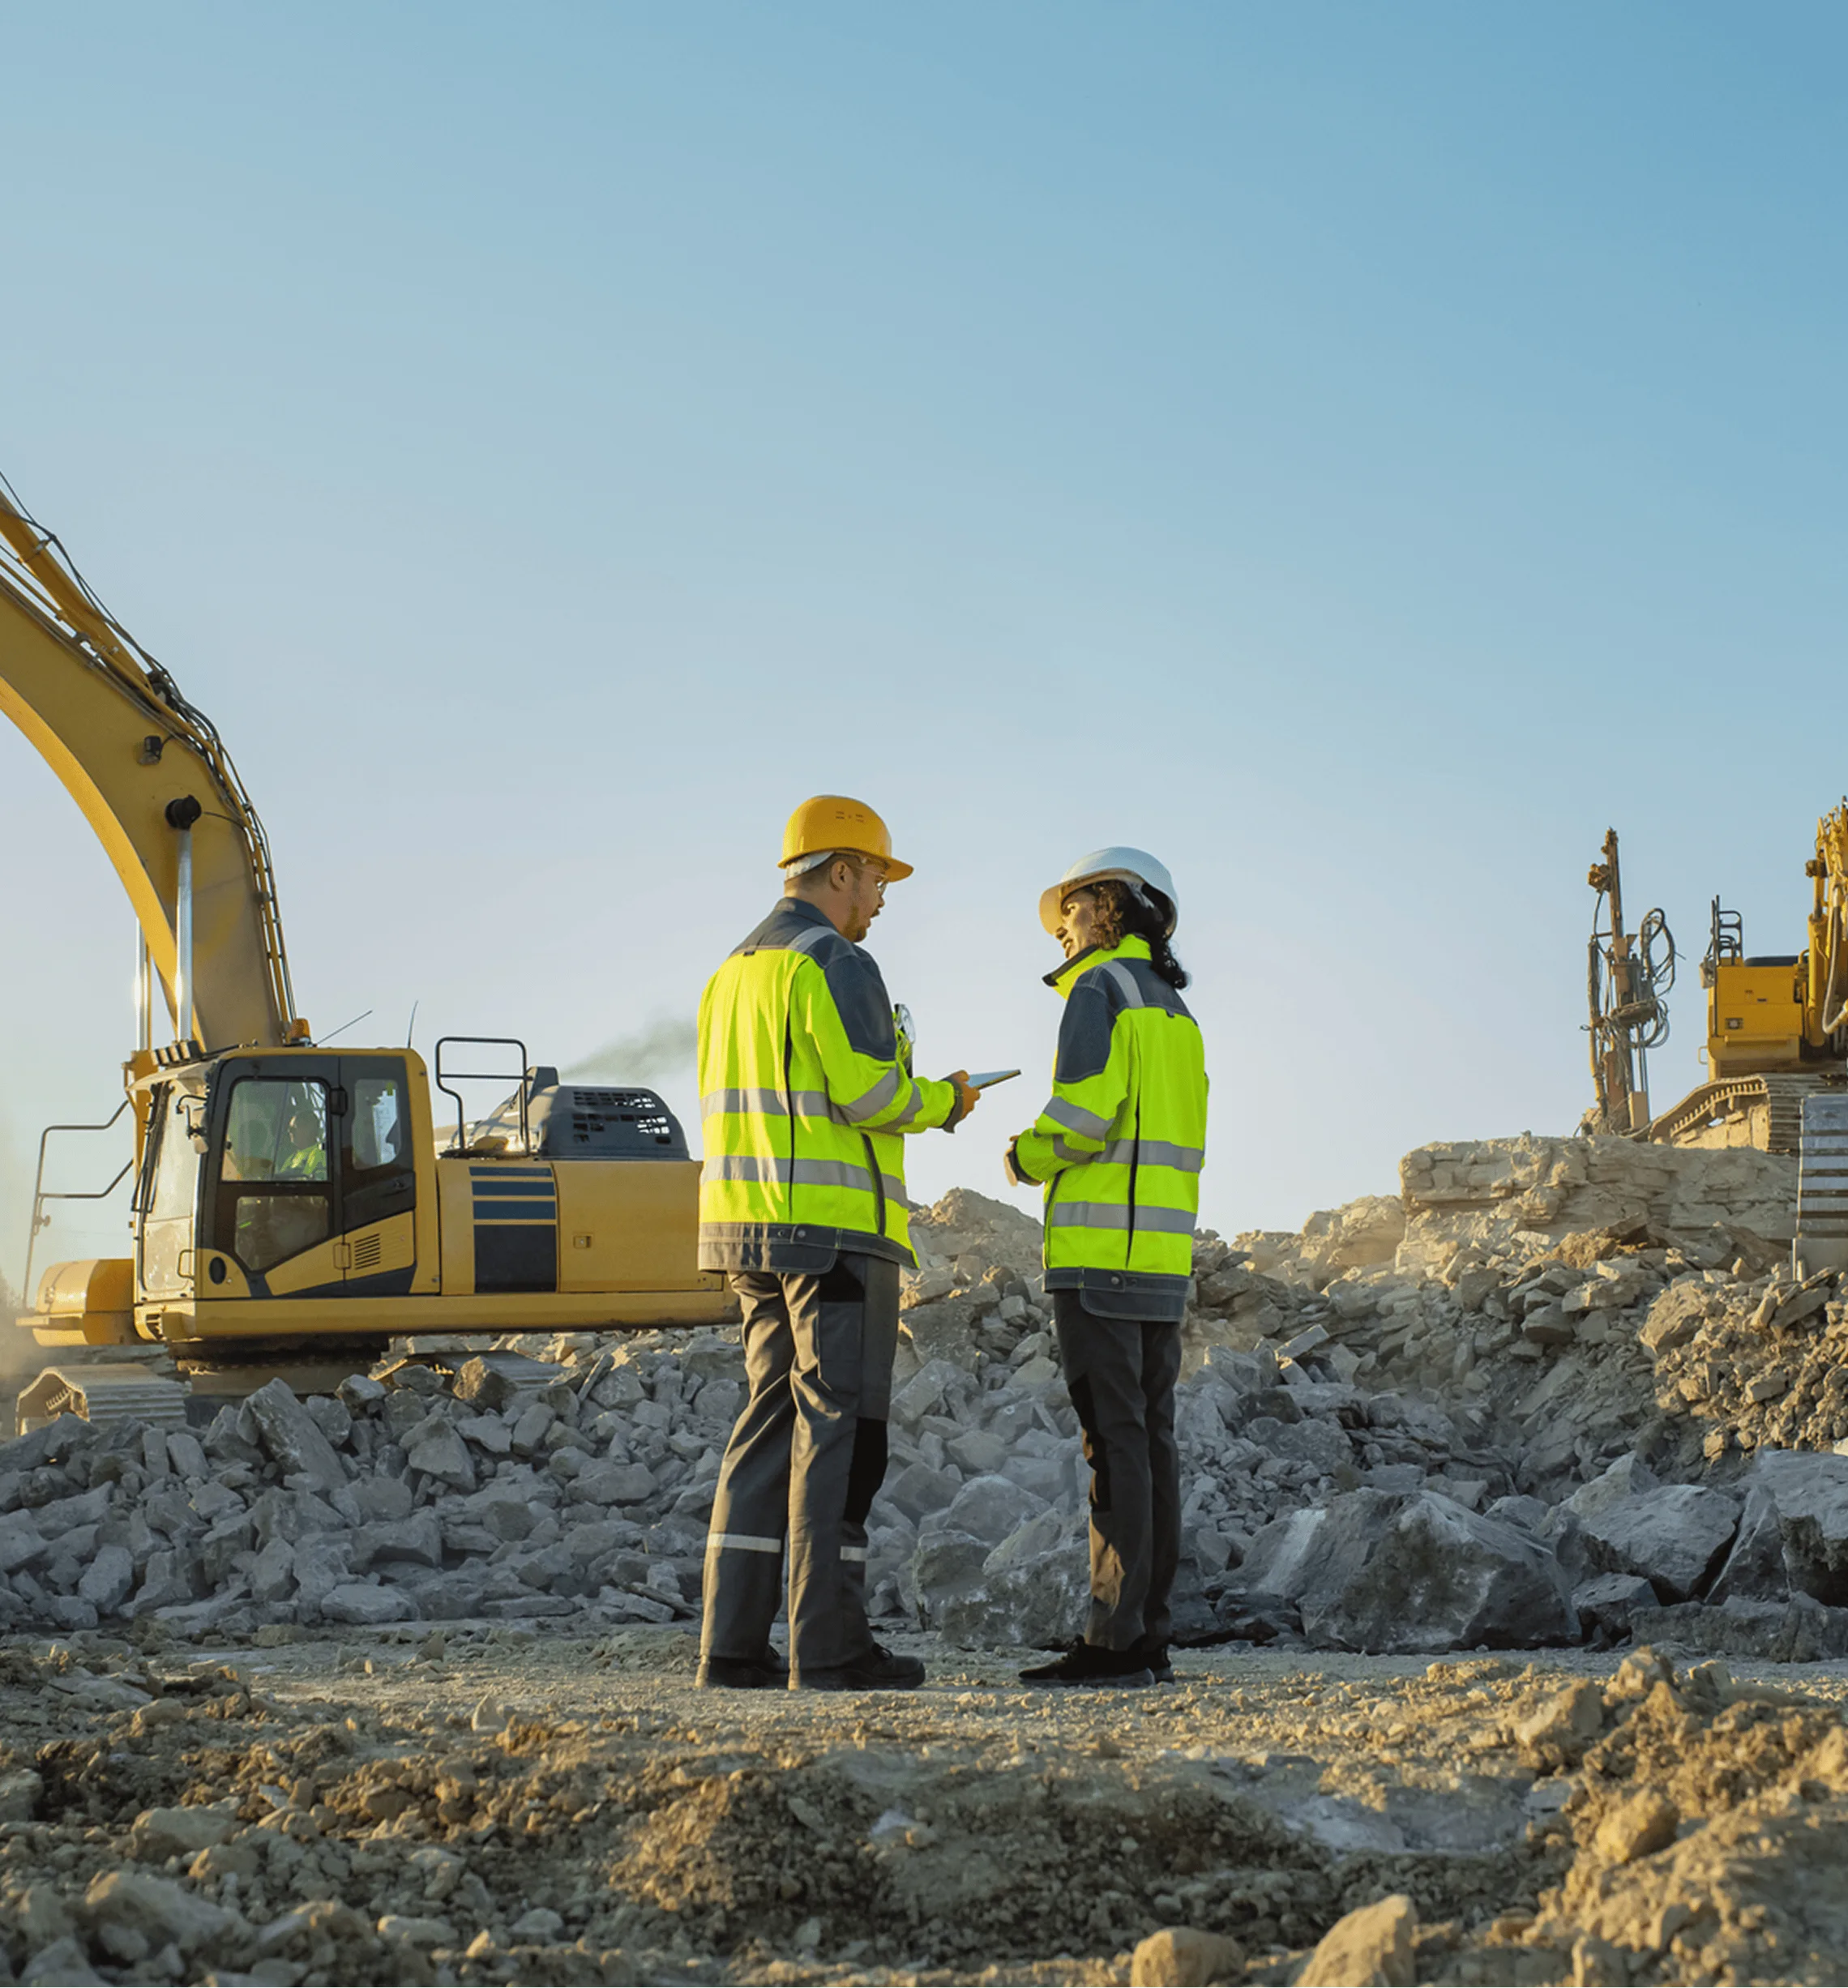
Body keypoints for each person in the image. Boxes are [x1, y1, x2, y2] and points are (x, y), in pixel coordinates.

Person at [696, 795, 979, 1691]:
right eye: (879, 879)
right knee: (838, 1432)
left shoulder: (730, 973)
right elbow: (867, 1093)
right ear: (841, 870)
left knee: (767, 1424)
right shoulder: (837, 959)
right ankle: (830, 1646)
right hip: (834, 1232)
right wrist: (944, 1100)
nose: (883, 899)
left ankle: (731, 1646)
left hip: (746, 1229)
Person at [1004, 848, 1208, 1687]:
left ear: (1112, 909)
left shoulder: (1100, 991)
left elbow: (1084, 1116)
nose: (1062, 924)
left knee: (1112, 1444)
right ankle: (1148, 1633)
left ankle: (1113, 1641)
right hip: (1162, 1261)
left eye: (1073, 908)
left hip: (1097, 1258)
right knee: (1151, 1443)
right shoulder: (1175, 1013)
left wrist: (1025, 1154)